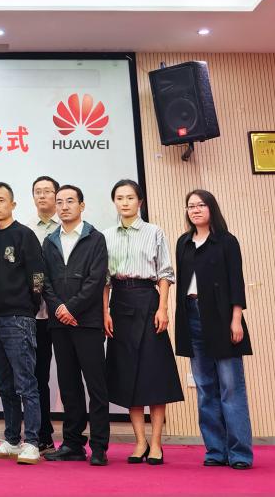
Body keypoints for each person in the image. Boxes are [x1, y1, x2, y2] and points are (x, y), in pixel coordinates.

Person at [103, 179, 184, 465]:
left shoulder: (154, 232)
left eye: (130, 197)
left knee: (154, 374)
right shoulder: (106, 236)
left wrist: (163, 308)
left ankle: (157, 442)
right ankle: (139, 442)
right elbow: (104, 280)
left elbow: (165, 273)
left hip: (149, 302)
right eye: (119, 198)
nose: (124, 202)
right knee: (128, 376)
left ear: (140, 202)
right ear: (114, 202)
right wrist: (104, 312)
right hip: (120, 304)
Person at [174, 190, 253, 470]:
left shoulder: (226, 241)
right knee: (205, 388)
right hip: (192, 316)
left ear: (211, 208)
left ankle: (240, 453)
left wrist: (236, 319)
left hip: (221, 318)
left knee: (231, 387)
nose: (195, 210)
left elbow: (236, 281)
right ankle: (216, 450)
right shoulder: (183, 242)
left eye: (201, 205)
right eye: (190, 206)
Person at [41, 185, 110, 466]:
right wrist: (59, 308)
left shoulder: (95, 238)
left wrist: (71, 308)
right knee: (68, 385)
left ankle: (100, 446)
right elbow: (42, 280)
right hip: (60, 324)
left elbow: (96, 280)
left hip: (88, 322)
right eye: (59, 202)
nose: (64, 206)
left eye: (70, 201)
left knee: (96, 386)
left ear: (81, 205)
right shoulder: (49, 241)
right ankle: (72, 443)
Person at [0, 183, 44, 465]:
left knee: (26, 383)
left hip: (20, 318)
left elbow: (38, 276)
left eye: (1, 200)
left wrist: (30, 305)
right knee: (5, 384)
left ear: (13, 204)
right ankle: (12, 440)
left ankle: (32, 442)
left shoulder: (24, 235)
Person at [26, 176, 61, 454]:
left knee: (70, 376)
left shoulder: (67, 228)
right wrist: (36, 297)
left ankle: (73, 438)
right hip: (37, 315)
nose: (42, 196)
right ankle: (43, 433)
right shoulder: (27, 231)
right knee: (38, 377)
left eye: (47, 191)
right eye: (37, 192)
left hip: (66, 312)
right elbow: (35, 275)